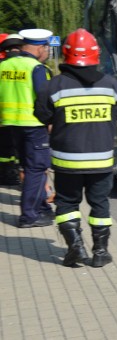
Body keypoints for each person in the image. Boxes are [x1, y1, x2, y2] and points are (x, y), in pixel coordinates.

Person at [35, 29, 117, 267]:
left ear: (66, 54)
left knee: (67, 204)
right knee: (100, 204)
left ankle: (75, 247)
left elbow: (41, 116)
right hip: (101, 161)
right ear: (95, 55)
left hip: (68, 161)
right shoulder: (110, 85)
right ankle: (100, 252)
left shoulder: (53, 86)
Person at [0, 28, 54, 227]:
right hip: (34, 125)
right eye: (47, 48)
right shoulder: (37, 68)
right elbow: (44, 99)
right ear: (40, 48)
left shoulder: (5, 65)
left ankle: (42, 207)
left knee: (30, 168)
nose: (48, 52)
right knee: (36, 169)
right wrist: (50, 122)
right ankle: (30, 215)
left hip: (11, 124)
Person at [0, 33, 24, 185]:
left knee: (4, 148)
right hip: (24, 117)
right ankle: (17, 174)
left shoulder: (2, 66)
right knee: (18, 149)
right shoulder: (29, 65)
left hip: (3, 116)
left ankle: (5, 174)